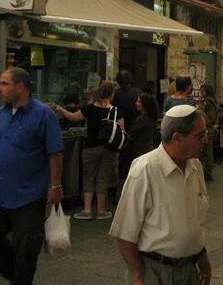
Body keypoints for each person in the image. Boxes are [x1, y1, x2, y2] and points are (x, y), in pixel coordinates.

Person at [0, 67, 64, 285]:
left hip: (29, 195)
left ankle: (22, 279)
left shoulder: (44, 115)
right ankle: (18, 278)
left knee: (26, 250)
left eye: (4, 84)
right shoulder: (0, 114)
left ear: (20, 87)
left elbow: (55, 153)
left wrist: (55, 186)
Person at [109, 105, 211, 285]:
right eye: (200, 136)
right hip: (155, 272)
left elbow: (196, 222)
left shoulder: (195, 167)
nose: (206, 140)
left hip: (190, 270)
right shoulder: (145, 170)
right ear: (177, 138)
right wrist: (138, 275)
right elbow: (124, 232)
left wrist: (203, 259)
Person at [55, 80, 123, 220]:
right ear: (111, 94)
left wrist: (60, 109)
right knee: (103, 179)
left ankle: (86, 210)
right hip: (108, 149)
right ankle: (101, 211)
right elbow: (121, 130)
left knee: (88, 178)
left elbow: (73, 117)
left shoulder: (89, 108)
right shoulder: (116, 111)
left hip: (90, 148)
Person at [114, 70, 141, 183]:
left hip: (119, 130)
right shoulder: (137, 93)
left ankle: (122, 183)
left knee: (122, 158)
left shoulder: (115, 94)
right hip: (136, 129)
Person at [129, 93, 160, 161]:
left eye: (139, 102)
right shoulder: (151, 118)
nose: (136, 103)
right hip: (148, 149)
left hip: (140, 152)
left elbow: (131, 134)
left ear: (145, 104)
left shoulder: (142, 120)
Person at [199, 84, 218, 181]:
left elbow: (210, 118)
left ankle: (207, 172)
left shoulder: (209, 102)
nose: (201, 94)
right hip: (208, 128)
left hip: (208, 129)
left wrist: (201, 110)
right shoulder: (211, 102)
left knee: (207, 151)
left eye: (203, 91)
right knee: (207, 150)